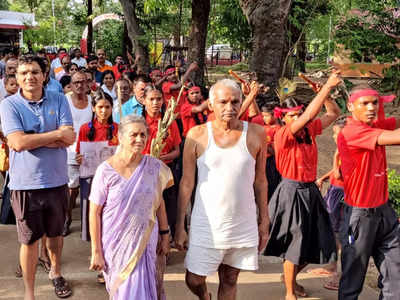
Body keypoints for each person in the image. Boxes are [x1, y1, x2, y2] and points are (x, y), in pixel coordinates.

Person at [175, 79, 269, 300]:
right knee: (194, 278)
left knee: (229, 278)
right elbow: (187, 182)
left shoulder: (256, 133)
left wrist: (264, 219)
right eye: (223, 102)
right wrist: (180, 224)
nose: (230, 108)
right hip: (205, 222)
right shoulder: (196, 135)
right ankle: (204, 296)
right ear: (210, 104)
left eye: (235, 101)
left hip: (241, 221)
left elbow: (261, 181)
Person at [0, 55, 75, 299]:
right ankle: (29, 293)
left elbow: (70, 137)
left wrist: (33, 138)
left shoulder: (59, 99)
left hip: (57, 181)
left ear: (44, 75)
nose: (29, 77)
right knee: (29, 241)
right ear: (16, 78)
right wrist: (54, 136)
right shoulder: (9, 105)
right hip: (25, 184)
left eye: (34, 72)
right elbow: (18, 143)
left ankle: (55, 272)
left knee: (55, 236)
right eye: (23, 73)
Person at [263, 71, 342, 300]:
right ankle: (290, 293)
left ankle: (291, 277)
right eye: (292, 115)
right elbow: (308, 117)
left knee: (318, 240)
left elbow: (334, 113)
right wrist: (327, 86)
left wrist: (323, 94)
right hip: (291, 191)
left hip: (310, 190)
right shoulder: (283, 134)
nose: (297, 118)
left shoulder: (310, 131)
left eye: (298, 113)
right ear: (283, 118)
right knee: (295, 244)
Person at [88, 114, 171, 300]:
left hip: (146, 240)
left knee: (144, 287)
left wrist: (165, 235)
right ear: (121, 136)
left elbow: (159, 203)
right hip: (115, 244)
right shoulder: (105, 170)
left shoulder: (154, 167)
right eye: (134, 135)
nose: (140, 139)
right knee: (124, 289)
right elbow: (94, 212)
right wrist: (96, 251)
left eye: (143, 135)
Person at [337, 85, 400, 300]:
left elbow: (395, 123)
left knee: (396, 274)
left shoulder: (374, 126)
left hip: (384, 211)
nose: (372, 107)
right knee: (353, 279)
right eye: (365, 103)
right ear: (351, 106)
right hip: (360, 215)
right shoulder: (352, 131)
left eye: (376, 102)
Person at [75, 90, 119, 242]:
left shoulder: (117, 128)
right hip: (90, 175)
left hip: (112, 175)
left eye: (107, 107)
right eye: (100, 107)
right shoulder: (85, 129)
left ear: (112, 108)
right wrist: (79, 158)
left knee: (110, 207)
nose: (104, 111)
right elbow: (78, 153)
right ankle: (92, 238)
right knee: (90, 206)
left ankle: (109, 237)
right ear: (93, 108)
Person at [142, 86, 182, 239]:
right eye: (151, 99)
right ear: (144, 101)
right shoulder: (140, 122)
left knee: (168, 207)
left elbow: (177, 151)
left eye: (158, 99)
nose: (155, 103)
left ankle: (166, 240)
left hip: (166, 172)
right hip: (144, 172)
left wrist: (161, 158)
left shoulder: (170, 122)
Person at [313, 117, 346, 291]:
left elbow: (340, 174)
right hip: (335, 190)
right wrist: (324, 178)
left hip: (341, 194)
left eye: (336, 134)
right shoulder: (342, 148)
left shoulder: (346, 150)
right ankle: (332, 266)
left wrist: (336, 154)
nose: (334, 137)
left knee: (339, 234)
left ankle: (339, 274)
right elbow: (336, 172)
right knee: (331, 230)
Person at [63, 71, 93, 236]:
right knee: (71, 190)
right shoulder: (65, 100)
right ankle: (66, 220)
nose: (80, 85)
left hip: (90, 152)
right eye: (76, 82)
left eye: (83, 82)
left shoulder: (93, 101)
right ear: (71, 84)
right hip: (70, 151)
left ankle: (88, 225)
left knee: (90, 191)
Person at [162, 62, 198, 132]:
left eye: (173, 73)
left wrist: (184, 73)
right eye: (169, 74)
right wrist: (189, 69)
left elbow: (192, 86)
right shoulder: (165, 85)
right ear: (166, 77)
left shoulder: (180, 82)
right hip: (173, 119)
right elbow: (178, 86)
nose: (172, 76)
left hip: (184, 116)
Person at [261, 104, 281, 199]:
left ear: (274, 115)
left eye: (266, 116)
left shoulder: (278, 129)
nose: (264, 118)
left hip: (271, 162)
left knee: (271, 187)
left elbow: (276, 151)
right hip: (262, 160)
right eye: (263, 116)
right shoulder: (264, 127)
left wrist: (264, 143)